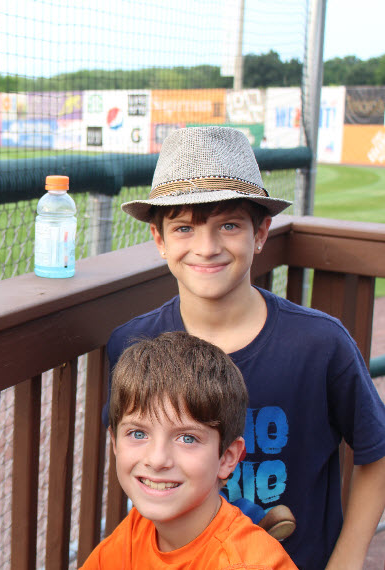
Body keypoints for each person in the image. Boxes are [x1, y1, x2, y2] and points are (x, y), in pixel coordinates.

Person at [104, 126, 385, 569]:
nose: (207, 247)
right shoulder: (132, 344)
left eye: (229, 225)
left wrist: (346, 561)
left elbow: (377, 452)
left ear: (261, 232)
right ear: (159, 240)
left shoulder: (319, 344)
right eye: (183, 228)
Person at [81, 331, 298, 570]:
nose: (157, 459)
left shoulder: (246, 564)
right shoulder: (137, 531)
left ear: (227, 457)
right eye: (138, 434)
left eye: (187, 438)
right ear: (115, 443)